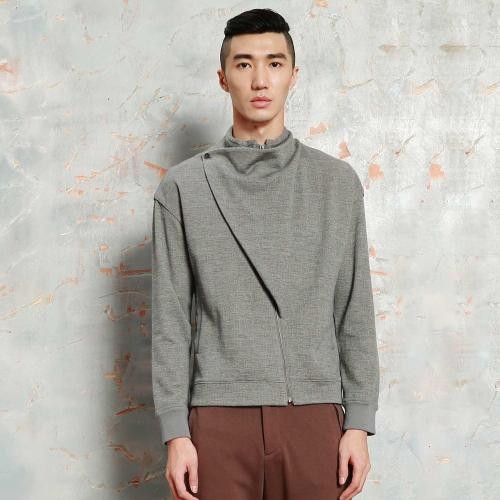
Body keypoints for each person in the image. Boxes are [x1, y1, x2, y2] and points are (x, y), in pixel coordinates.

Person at [151, 8, 380, 500]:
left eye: (274, 64)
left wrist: (359, 422)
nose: (260, 80)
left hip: (314, 416)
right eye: (244, 64)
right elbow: (170, 321)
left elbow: (354, 310)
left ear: (293, 75)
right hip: (216, 419)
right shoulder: (183, 189)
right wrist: (175, 432)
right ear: (223, 78)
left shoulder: (336, 184)